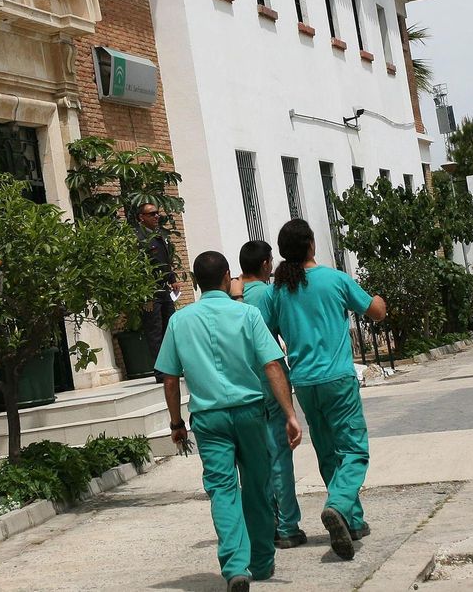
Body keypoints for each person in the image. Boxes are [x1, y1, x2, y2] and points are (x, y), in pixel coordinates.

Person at [158, 251, 303, 591]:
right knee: (257, 486)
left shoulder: (180, 321)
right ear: (227, 277)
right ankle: (262, 562)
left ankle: (236, 566)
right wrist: (290, 414)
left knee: (222, 491)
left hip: (209, 419)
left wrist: (176, 423)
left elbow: (168, 377)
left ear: (195, 282)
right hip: (250, 412)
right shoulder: (247, 314)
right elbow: (272, 365)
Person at [265, 219, 386, 561]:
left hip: (303, 382)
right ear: (312, 245)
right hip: (337, 379)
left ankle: (353, 520)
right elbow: (376, 312)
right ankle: (337, 505)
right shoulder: (335, 279)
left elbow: (269, 335)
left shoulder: (279, 291)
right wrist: (377, 297)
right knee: (354, 450)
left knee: (330, 452)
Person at [237, 240, 304, 549]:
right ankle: (288, 525)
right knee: (279, 457)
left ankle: (267, 522)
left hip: (242, 386)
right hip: (270, 383)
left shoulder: (230, 297)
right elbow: (281, 331)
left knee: (255, 461)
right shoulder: (268, 294)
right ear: (265, 264)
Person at [136, 203, 178, 374]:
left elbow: (164, 261)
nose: (156, 216)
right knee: (155, 332)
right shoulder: (138, 238)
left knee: (171, 327)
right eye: (152, 214)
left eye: (157, 213)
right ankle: (161, 372)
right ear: (141, 217)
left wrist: (173, 279)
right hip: (150, 292)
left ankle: (174, 367)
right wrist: (146, 295)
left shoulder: (159, 236)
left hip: (164, 289)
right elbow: (138, 268)